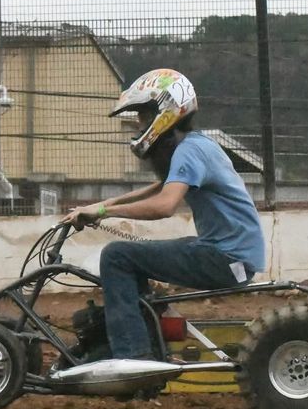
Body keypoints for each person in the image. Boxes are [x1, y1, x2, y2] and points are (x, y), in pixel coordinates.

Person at [61, 68, 265, 361]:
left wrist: (104, 211)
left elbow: (164, 205)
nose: (139, 125)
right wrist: (99, 207)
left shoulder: (189, 151)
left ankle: (133, 356)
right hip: (230, 255)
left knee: (117, 256)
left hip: (227, 258)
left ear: (165, 111)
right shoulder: (198, 145)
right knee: (133, 259)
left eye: (143, 115)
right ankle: (149, 348)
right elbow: (159, 187)